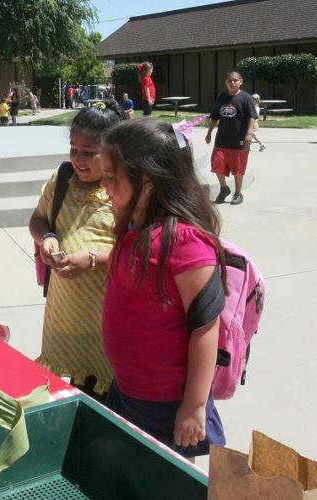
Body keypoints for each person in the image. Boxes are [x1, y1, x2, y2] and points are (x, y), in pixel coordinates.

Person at [99, 118, 227, 459]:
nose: (104, 185)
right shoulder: (134, 226)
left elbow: (206, 326)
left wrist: (195, 405)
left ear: (148, 180)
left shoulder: (185, 243)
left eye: (111, 177)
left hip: (166, 405)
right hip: (128, 390)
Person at [29, 100, 125, 399]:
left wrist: (94, 259)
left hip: (106, 318)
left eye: (89, 153)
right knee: (67, 391)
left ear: (111, 152)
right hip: (63, 313)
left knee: (103, 395)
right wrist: (46, 237)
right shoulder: (62, 180)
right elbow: (38, 218)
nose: (78, 159)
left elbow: (139, 250)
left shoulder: (123, 189)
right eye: (74, 149)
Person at [205, 70, 257, 205]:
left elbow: (252, 116)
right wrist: (209, 132)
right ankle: (224, 188)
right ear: (226, 83)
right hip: (221, 139)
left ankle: (238, 193)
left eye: (235, 80)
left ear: (241, 82)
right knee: (217, 163)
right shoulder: (221, 97)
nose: (232, 82)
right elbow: (215, 116)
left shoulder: (246, 98)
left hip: (240, 140)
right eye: (229, 80)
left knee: (238, 168)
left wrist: (249, 134)